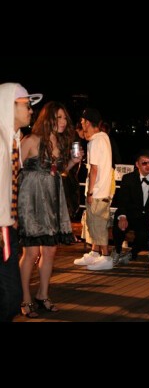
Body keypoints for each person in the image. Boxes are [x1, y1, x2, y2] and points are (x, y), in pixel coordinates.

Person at [18, 101, 82, 316]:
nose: (63, 122)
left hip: (52, 200)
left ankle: (42, 295)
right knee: (31, 252)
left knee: (50, 250)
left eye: (65, 118)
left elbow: (58, 171)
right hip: (31, 202)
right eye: (58, 117)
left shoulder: (60, 142)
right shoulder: (31, 140)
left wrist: (72, 162)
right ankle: (24, 298)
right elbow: (12, 171)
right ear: (48, 119)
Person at [0, 83, 42, 321]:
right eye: (26, 105)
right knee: (9, 295)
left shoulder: (13, 140)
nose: (31, 110)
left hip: (9, 226)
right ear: (9, 106)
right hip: (2, 228)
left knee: (9, 295)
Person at [73, 108, 113, 271]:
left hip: (97, 191)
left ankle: (106, 257)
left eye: (83, 121)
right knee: (96, 223)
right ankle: (95, 252)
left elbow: (94, 170)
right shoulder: (104, 137)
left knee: (99, 225)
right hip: (103, 189)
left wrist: (90, 192)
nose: (82, 124)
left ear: (88, 123)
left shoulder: (95, 142)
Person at [111, 150, 149, 265]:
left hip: (145, 216)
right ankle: (117, 251)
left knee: (144, 234)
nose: (148, 166)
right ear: (137, 164)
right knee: (119, 225)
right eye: (144, 163)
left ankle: (132, 254)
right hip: (129, 214)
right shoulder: (128, 178)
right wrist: (123, 216)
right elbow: (122, 200)